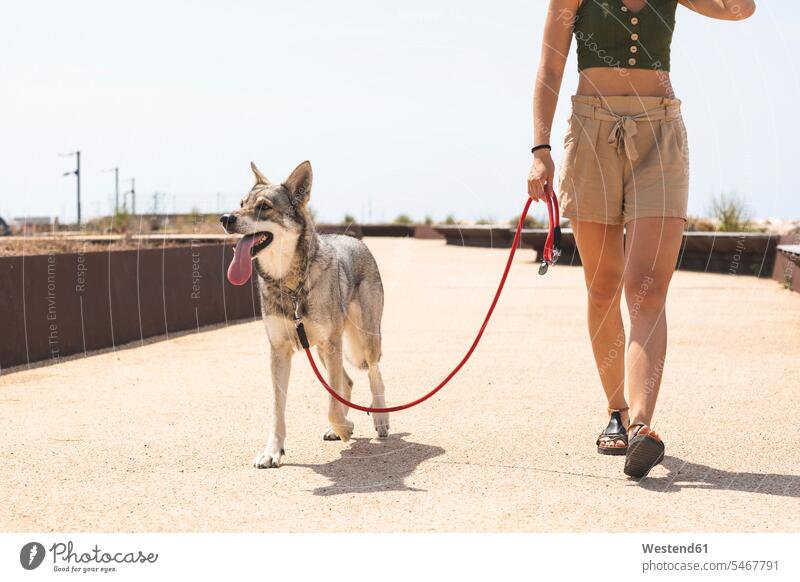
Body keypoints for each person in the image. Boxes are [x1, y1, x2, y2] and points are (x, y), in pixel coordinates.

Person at [527, 0, 756, 477]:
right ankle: (618, 409)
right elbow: (551, 64)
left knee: (647, 285)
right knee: (604, 284)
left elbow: (742, 9)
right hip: (590, 130)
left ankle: (643, 427)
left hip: (660, 131)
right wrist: (540, 149)